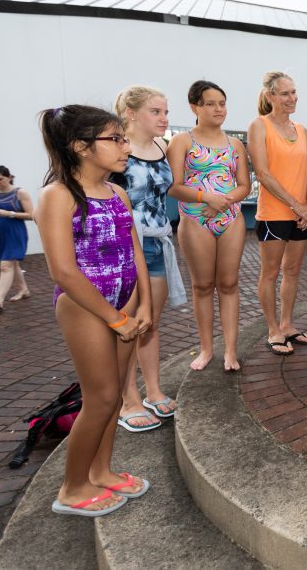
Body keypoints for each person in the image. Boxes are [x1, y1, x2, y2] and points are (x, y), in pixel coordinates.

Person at [36, 105, 150, 517]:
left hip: (126, 305)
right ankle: (72, 487)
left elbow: (134, 250)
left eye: (124, 138)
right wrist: (115, 318)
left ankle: (100, 471)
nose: (125, 146)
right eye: (115, 139)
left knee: (115, 397)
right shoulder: (59, 196)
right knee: (99, 397)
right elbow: (63, 270)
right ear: (81, 147)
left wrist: (144, 305)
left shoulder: (118, 193)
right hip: (85, 306)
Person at [111, 86, 186, 432]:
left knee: (150, 322)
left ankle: (153, 389)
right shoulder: (116, 149)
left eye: (165, 112)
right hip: (126, 246)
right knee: (127, 325)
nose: (164, 118)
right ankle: (128, 400)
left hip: (157, 242)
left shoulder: (162, 146)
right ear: (131, 112)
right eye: (156, 112)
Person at [168, 81, 250, 371]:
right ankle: (205, 349)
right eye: (211, 103)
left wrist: (223, 201)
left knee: (229, 284)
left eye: (222, 103)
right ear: (195, 107)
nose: (219, 109)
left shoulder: (236, 144)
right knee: (202, 286)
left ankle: (230, 351)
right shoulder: (182, 141)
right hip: (195, 220)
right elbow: (174, 187)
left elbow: (244, 185)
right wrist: (206, 198)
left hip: (230, 218)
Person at [247, 71, 307, 356]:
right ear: (270, 96)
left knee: (293, 271)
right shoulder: (259, 126)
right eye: (285, 93)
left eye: (294, 92)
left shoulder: (301, 130)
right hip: (274, 213)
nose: (292, 98)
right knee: (271, 273)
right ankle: (273, 329)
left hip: (301, 215)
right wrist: (295, 205)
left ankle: (287, 325)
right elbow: (263, 173)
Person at [0, 165, 34, 309]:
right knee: (12, 262)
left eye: (0, 179)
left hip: (14, 231)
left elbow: (31, 215)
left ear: (9, 177)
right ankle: (24, 290)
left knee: (5, 265)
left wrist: (9, 213)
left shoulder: (20, 193)